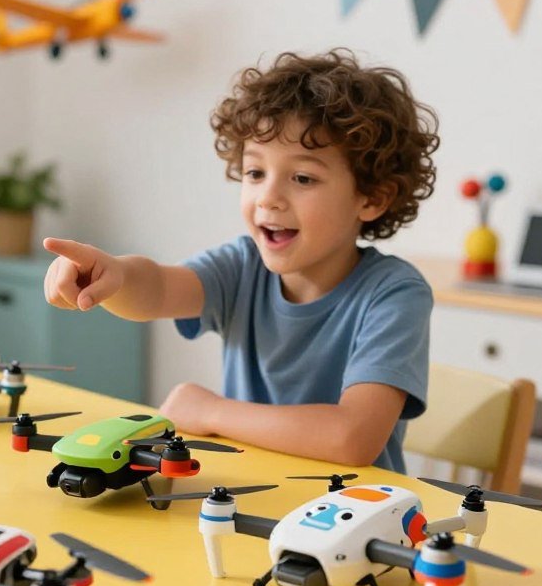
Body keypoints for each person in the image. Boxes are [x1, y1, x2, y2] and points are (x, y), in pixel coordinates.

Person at [42, 50, 439, 473]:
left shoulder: (395, 294)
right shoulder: (242, 265)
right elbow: (157, 289)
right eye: (254, 173)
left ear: (372, 198)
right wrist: (115, 275)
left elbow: (353, 437)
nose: (268, 196)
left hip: (356, 517)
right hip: (250, 500)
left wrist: (212, 412)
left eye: (302, 178)